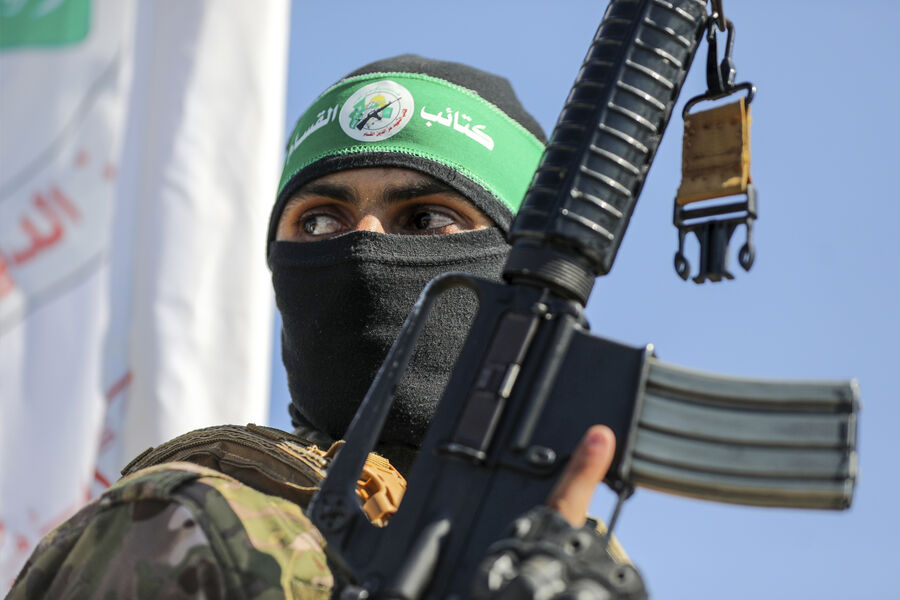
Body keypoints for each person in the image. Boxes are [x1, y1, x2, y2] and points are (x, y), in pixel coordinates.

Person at [9, 55, 629, 599]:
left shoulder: (574, 566)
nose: (363, 244)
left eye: (427, 219)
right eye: (319, 222)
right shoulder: (191, 526)